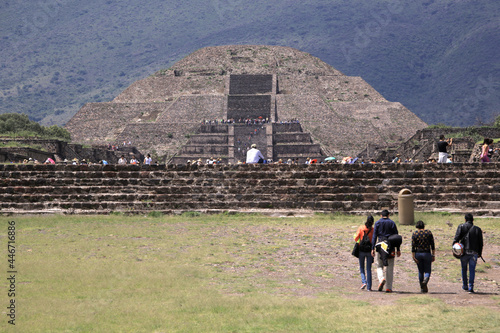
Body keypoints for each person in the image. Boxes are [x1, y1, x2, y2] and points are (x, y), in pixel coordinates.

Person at [371, 210, 401, 293]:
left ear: (381, 215)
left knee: (379, 265)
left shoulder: (377, 223)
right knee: (390, 267)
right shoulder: (392, 223)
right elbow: (396, 237)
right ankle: (389, 287)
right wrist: (398, 249)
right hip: (390, 246)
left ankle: (381, 278)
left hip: (381, 246)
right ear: (388, 215)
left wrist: (372, 248)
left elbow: (374, 236)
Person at [453, 213, 483, 293]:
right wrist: (480, 253)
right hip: (474, 253)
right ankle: (471, 287)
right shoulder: (478, 229)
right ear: (473, 220)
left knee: (464, 268)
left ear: (465, 220)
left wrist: (455, 250)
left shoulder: (461, 227)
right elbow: (481, 243)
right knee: (472, 270)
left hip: (463, 252)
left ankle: (465, 285)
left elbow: (456, 239)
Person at [411, 220, 435, 293]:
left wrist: (413, 256)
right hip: (427, 253)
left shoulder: (415, 234)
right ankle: (426, 279)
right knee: (427, 270)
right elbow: (432, 245)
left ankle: (422, 288)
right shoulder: (428, 232)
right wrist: (433, 254)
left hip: (418, 253)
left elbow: (413, 246)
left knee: (420, 271)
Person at [354, 215, 375, 291]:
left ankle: (364, 281)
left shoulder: (361, 228)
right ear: (372, 222)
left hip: (361, 250)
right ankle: (369, 287)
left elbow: (356, 238)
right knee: (369, 269)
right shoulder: (373, 230)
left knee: (362, 267)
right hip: (369, 250)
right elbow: (374, 240)